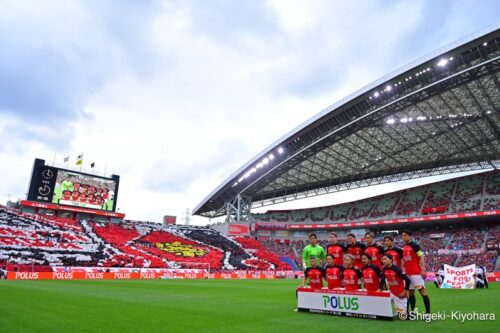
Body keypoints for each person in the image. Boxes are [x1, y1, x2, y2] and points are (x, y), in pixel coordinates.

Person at [402, 230, 431, 314]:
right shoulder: (404, 247)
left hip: (416, 273)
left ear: (409, 236)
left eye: (405, 235)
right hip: (408, 274)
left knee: (422, 291)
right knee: (411, 293)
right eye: (403, 236)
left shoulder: (415, 245)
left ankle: (428, 313)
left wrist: (423, 269)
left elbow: (421, 256)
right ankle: (413, 311)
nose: (404, 237)